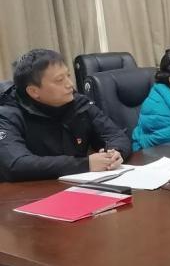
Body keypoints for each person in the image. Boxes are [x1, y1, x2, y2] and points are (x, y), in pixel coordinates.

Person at [0, 49, 131, 182]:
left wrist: (115, 153)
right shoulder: (7, 115)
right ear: (34, 91)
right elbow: (15, 165)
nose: (70, 84)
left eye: (68, 76)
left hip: (77, 185)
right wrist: (85, 164)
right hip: (28, 191)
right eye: (60, 80)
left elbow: (116, 135)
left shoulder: (78, 103)